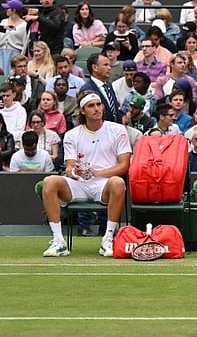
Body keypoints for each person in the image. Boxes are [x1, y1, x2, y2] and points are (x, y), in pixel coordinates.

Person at [39, 92, 131, 257]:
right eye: (91, 106)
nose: (96, 109)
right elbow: (69, 167)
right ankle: (58, 241)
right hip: (79, 185)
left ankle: (108, 239)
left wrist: (99, 173)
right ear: (82, 111)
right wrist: (75, 171)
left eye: (98, 104)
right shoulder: (72, 135)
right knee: (49, 181)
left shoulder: (117, 130)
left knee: (118, 182)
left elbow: (125, 165)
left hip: (104, 185)